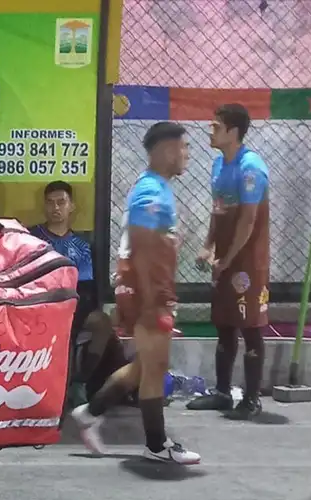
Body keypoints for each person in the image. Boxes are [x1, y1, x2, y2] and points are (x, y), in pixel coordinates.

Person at [72, 122, 200, 465]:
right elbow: (142, 248)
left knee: (146, 366)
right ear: (164, 150)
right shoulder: (151, 192)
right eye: (183, 147)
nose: (187, 154)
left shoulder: (157, 189)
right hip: (147, 292)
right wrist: (150, 302)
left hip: (150, 289)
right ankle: (157, 445)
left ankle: (90, 412)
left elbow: (151, 244)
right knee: (154, 367)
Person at [189, 104, 271, 420]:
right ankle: (222, 393)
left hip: (247, 262)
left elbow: (248, 221)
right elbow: (218, 210)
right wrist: (209, 247)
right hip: (224, 259)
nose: (210, 131)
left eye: (215, 126)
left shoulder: (251, 168)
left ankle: (251, 399)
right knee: (224, 324)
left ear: (232, 131)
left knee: (250, 328)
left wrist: (228, 258)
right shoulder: (218, 165)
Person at [29, 181, 96, 347]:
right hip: (38, 305)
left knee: (99, 322)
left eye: (61, 202)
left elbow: (85, 288)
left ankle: (79, 372)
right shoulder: (30, 239)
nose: (55, 208)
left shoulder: (82, 247)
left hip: (71, 309)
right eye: (50, 202)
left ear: (71, 206)